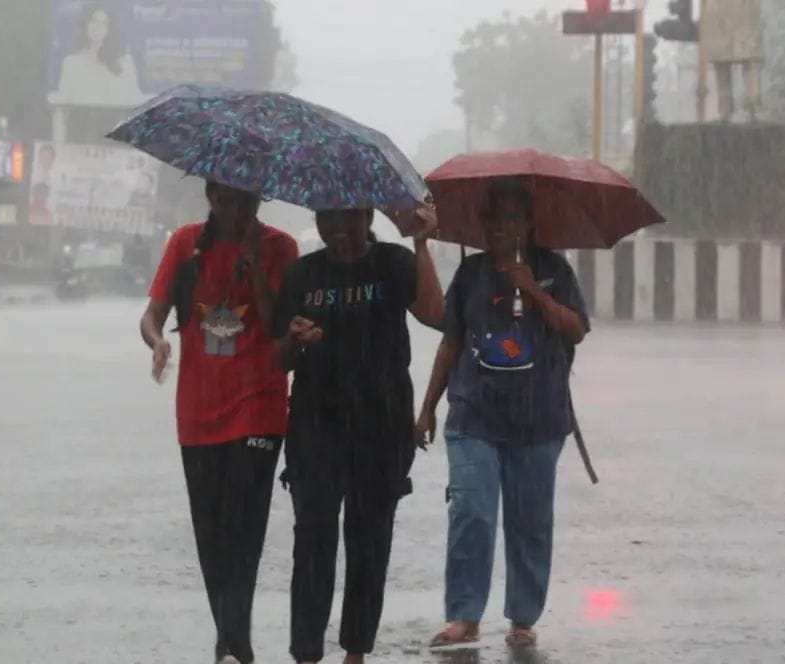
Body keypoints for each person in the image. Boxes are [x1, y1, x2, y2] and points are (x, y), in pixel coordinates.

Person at [415, 177, 589, 651]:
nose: (499, 225)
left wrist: (534, 291)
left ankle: (523, 617)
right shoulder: (471, 275)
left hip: (539, 420)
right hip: (474, 417)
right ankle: (464, 615)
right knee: (471, 511)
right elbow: (451, 339)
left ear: (529, 224)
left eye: (510, 217)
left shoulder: (553, 270)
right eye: (492, 217)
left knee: (529, 519)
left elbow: (576, 330)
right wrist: (428, 406)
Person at [271, 205, 445, 664]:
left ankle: (355, 653)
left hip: (382, 425)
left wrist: (423, 243)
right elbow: (278, 360)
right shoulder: (302, 274)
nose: (339, 230)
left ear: (368, 215)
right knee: (313, 541)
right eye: (328, 220)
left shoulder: (393, 263)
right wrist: (292, 340)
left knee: (369, 544)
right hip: (314, 425)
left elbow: (435, 313)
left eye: (349, 219)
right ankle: (306, 653)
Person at [140, 181, 298, 664]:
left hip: (259, 408)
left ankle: (235, 643)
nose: (239, 212)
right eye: (228, 201)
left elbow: (279, 329)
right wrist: (158, 342)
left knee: (242, 526)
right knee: (209, 533)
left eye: (249, 201)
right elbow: (153, 314)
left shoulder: (280, 248)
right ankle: (229, 637)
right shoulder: (185, 244)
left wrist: (252, 268)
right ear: (211, 196)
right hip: (198, 412)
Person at [53, 4, 148, 108]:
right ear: (86, 24)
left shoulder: (124, 62)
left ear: (109, 29)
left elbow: (133, 100)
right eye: (94, 20)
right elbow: (64, 104)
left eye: (103, 23)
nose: (97, 27)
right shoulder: (71, 63)